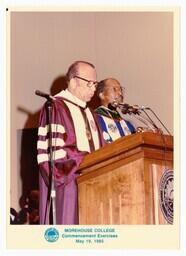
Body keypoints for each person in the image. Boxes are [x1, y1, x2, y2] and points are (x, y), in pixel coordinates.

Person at [37, 61, 104, 224]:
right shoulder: (55, 107)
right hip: (69, 187)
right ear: (73, 81)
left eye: (95, 84)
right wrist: (87, 161)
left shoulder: (91, 114)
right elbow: (55, 159)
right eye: (89, 84)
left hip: (96, 186)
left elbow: (103, 151)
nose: (94, 90)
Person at [95, 78, 136, 143]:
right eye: (115, 89)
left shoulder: (128, 125)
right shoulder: (95, 120)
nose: (120, 93)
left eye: (120, 89)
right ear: (102, 95)